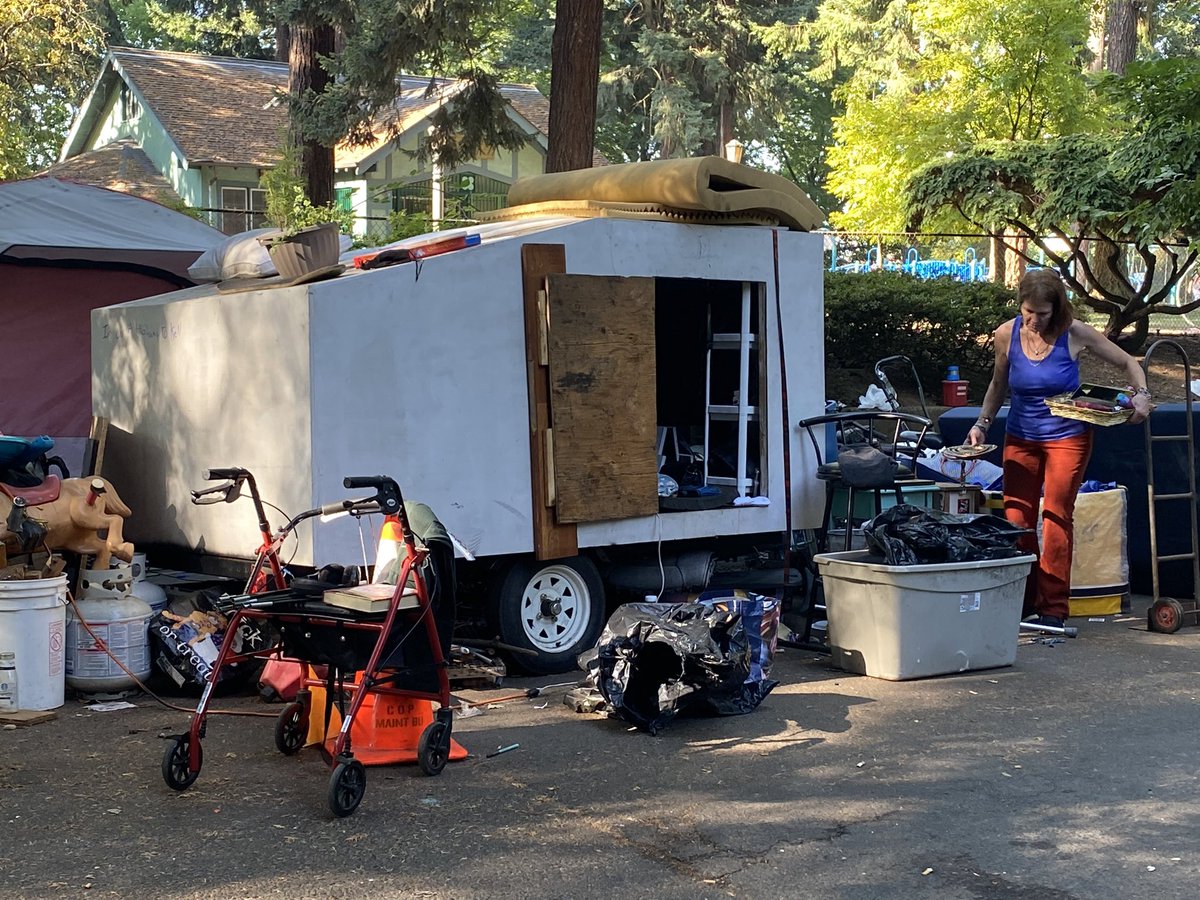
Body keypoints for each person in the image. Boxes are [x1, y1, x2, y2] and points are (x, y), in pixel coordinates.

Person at [966, 268, 1152, 627]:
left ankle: (1053, 608)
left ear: (1058, 309)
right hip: (1021, 436)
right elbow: (997, 384)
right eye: (1028, 312)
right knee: (1017, 519)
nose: (1034, 320)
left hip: (1068, 436)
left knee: (1054, 517)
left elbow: (1128, 362)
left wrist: (1141, 395)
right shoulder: (1007, 334)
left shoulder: (1075, 333)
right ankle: (1023, 599)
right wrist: (981, 424)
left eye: (1043, 314)